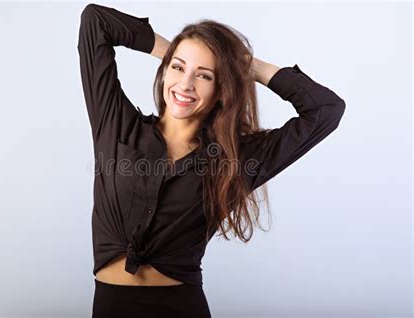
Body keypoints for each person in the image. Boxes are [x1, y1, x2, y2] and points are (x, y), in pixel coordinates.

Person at [77, 3, 346, 318]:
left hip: (181, 306)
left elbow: (326, 110)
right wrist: (175, 51)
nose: (186, 84)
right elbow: (95, 20)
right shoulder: (116, 126)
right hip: (112, 306)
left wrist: (244, 65)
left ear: (222, 88)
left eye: (204, 75)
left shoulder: (236, 158)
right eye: (178, 68)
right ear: (165, 71)